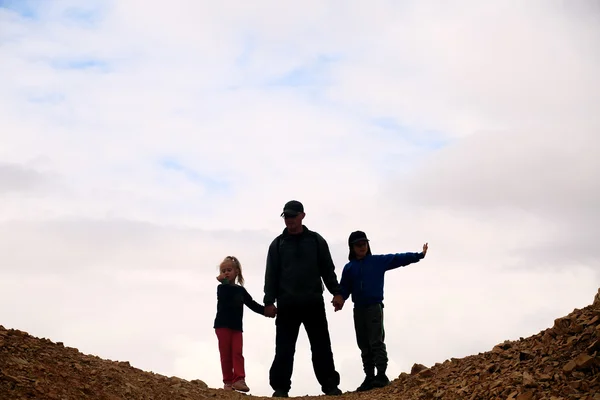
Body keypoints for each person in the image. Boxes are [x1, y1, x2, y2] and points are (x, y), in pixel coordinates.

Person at [263, 200, 345, 398]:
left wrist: (337, 292)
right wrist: (268, 301)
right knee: (284, 349)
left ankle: (330, 387)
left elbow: (328, 269)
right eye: (286, 216)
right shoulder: (277, 245)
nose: (289, 220)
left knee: (321, 347)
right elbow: (271, 275)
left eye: (292, 216)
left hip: (313, 303)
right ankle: (280, 389)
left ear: (302, 216)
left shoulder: (316, 241)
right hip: (287, 305)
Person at [337, 231, 428, 392]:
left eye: (364, 244)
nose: (362, 247)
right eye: (358, 244)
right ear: (352, 247)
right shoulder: (349, 268)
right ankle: (369, 376)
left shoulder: (377, 261)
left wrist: (419, 255)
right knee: (363, 343)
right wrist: (340, 299)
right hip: (358, 308)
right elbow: (344, 288)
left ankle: (381, 375)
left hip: (374, 307)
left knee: (376, 341)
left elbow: (398, 258)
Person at [214, 256, 274, 392]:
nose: (226, 273)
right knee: (225, 354)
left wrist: (266, 311)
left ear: (237, 272)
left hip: (236, 327)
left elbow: (251, 304)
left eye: (229, 270)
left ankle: (239, 379)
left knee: (237, 352)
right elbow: (225, 294)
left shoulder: (241, 291)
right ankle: (228, 382)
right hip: (222, 326)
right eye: (223, 271)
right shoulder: (221, 288)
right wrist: (223, 281)